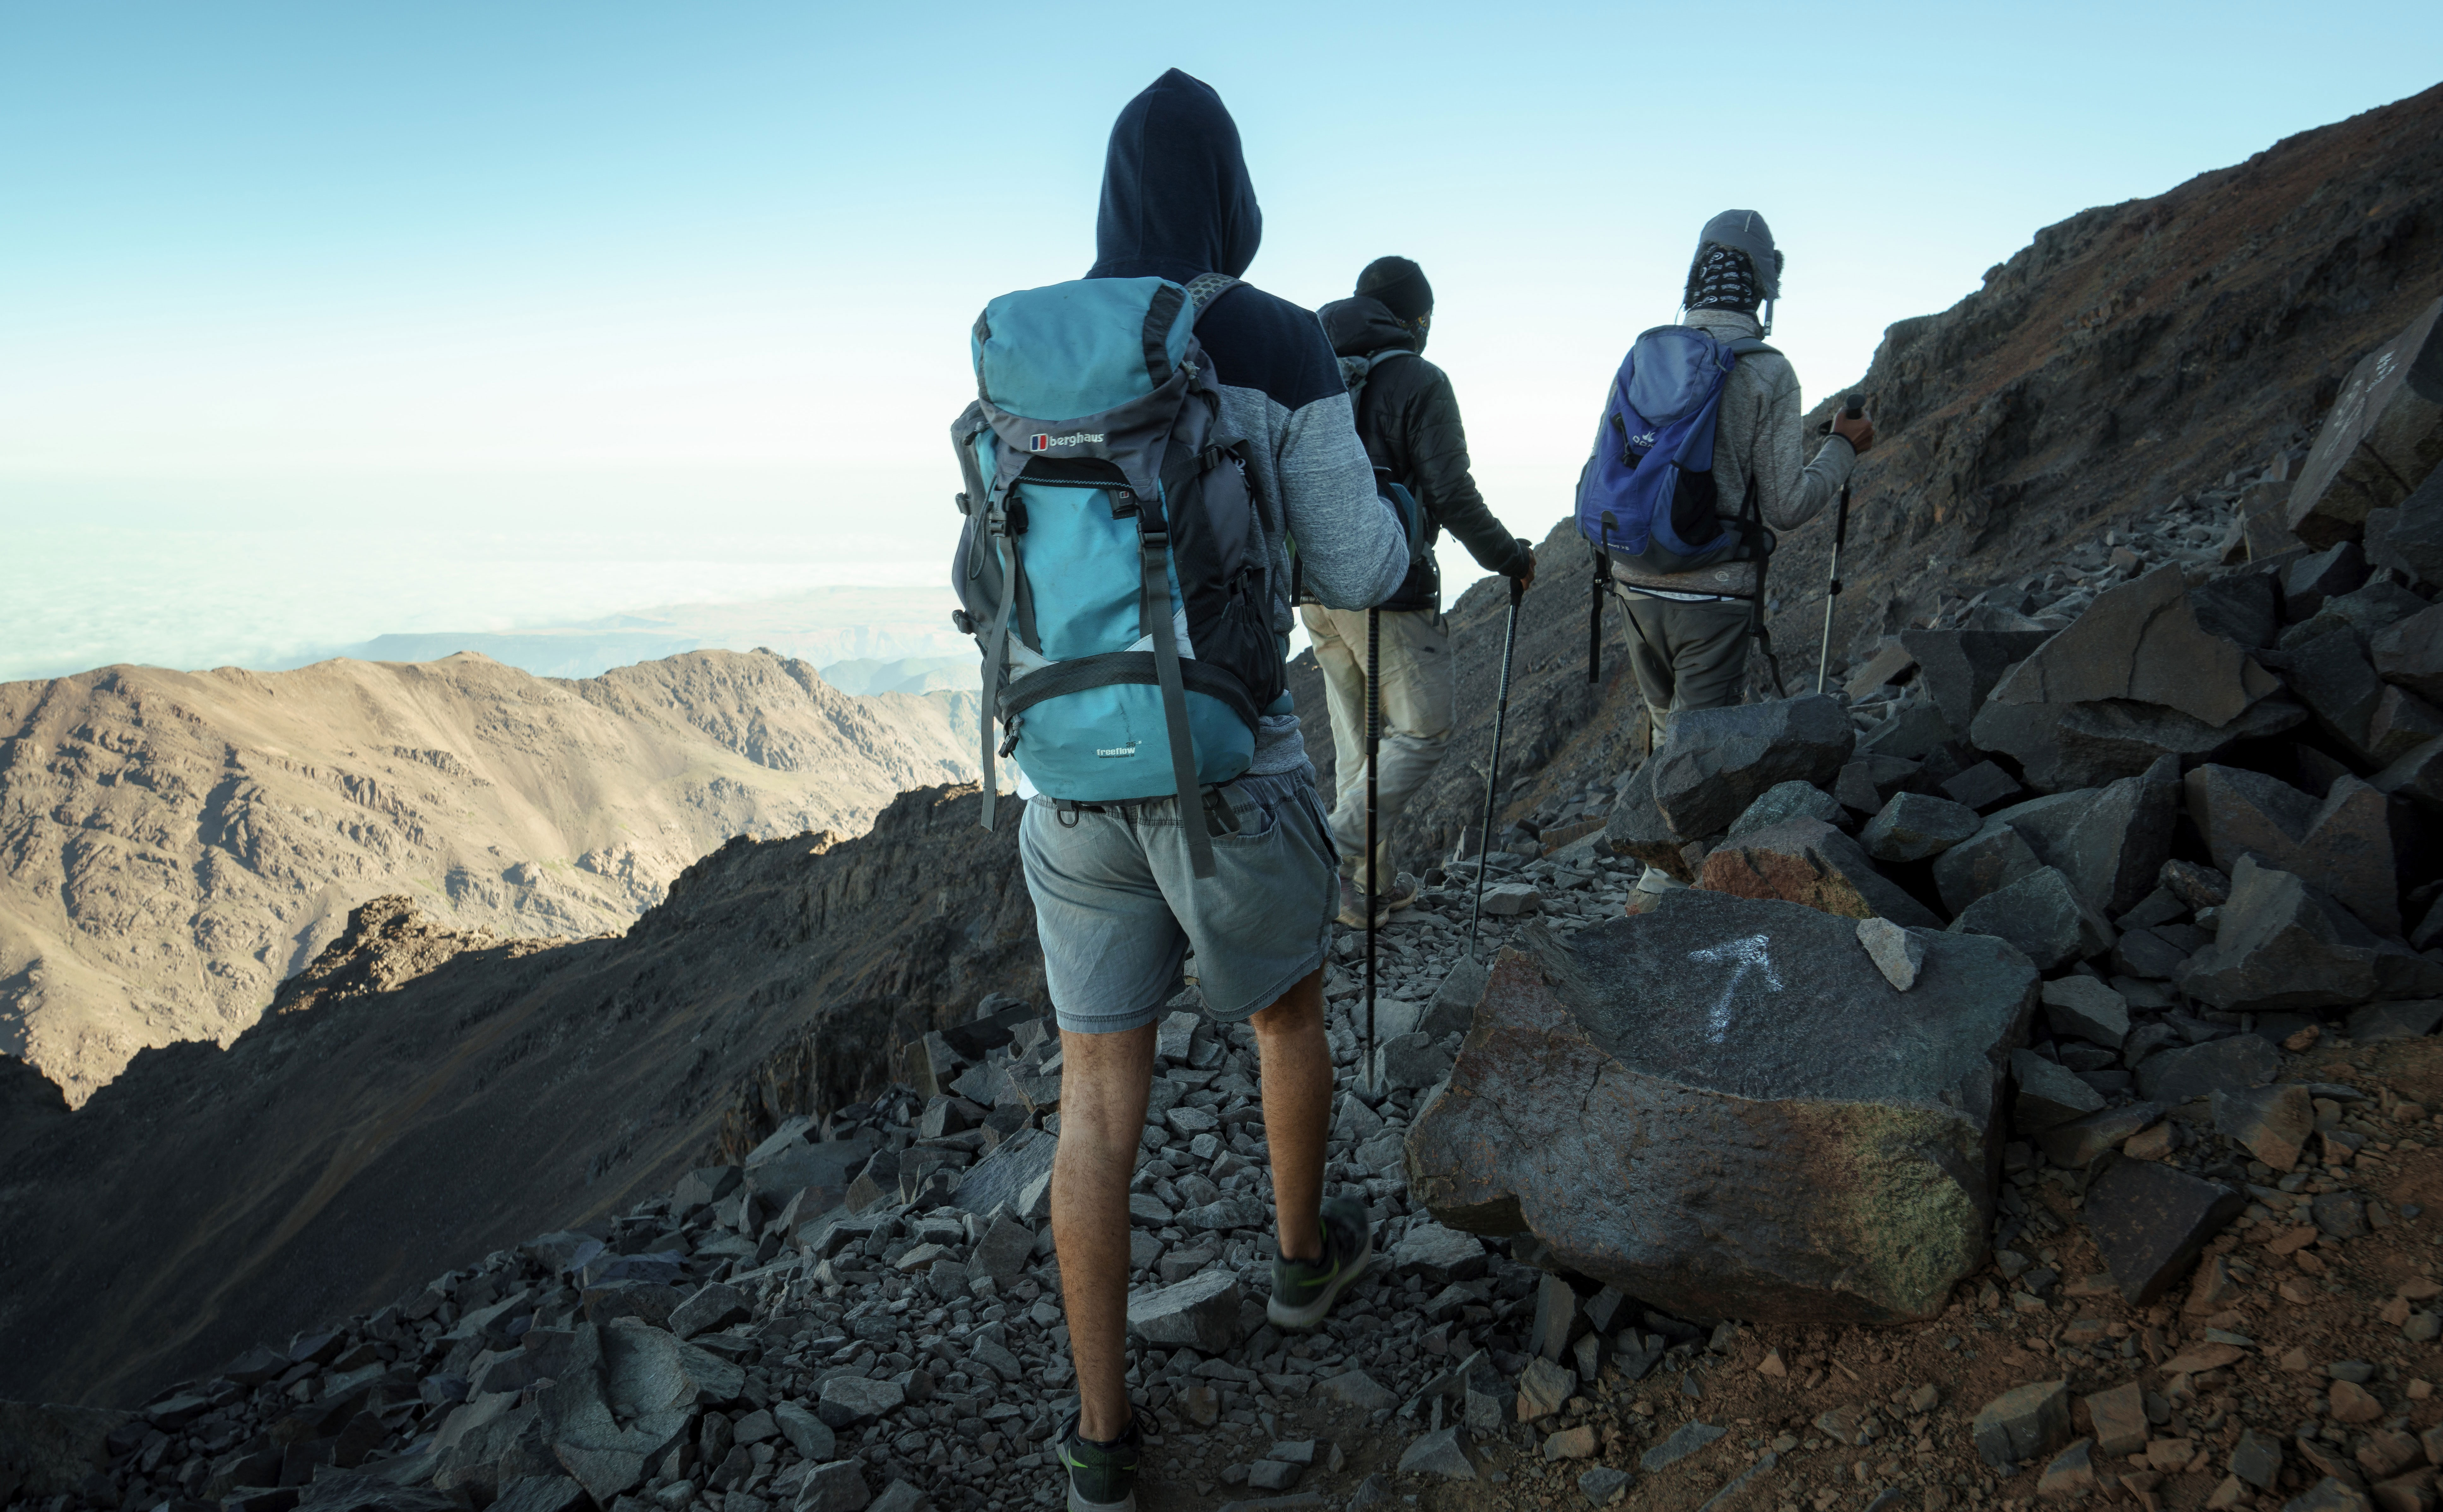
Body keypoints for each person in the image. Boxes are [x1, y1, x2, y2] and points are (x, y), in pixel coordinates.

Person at [1020, 70, 1411, 1512]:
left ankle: (1100, 1441)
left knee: (1095, 1101)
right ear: (1232, 193)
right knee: (1284, 1009)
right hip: (1238, 760)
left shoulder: (1045, 351)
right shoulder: (1274, 336)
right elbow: (1360, 569)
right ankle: (1305, 1263)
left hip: (1067, 774)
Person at [1606, 210, 1874, 905]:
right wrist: (1841, 447)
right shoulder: (1766, 371)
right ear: (1762, 287)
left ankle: (1652, 884)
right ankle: (1656, 906)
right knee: (1695, 757)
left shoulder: (1645, 355)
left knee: (1667, 732)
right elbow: (1785, 505)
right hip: (1712, 591)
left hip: (1632, 578)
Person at [1305, 259, 1537, 926]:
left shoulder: (1314, 373)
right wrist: (1508, 558)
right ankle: (1325, 862)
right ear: (1416, 319)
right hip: (1384, 584)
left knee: (1358, 742)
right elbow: (1450, 493)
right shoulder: (1418, 380)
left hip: (1314, 588)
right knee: (1422, 729)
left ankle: (1363, 888)